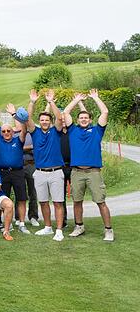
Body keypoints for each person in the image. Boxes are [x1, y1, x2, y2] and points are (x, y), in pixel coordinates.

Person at [63, 89, 113, 241]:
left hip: (93, 173)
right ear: (77, 120)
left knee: (100, 201)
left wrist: (96, 98)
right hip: (77, 172)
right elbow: (65, 112)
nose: (83, 119)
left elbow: (104, 112)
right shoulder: (72, 131)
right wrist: (76, 100)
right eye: (81, 118)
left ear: (90, 120)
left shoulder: (97, 131)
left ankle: (108, 230)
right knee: (77, 201)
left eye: (86, 118)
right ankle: (79, 226)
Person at [26, 89, 66, 241]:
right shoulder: (34, 132)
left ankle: (59, 230)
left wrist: (51, 101)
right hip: (40, 172)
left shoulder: (56, 131)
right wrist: (32, 102)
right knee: (43, 202)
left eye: (46, 120)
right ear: (39, 121)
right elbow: (28, 118)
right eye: (42, 120)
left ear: (50, 122)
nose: (44, 122)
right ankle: (48, 227)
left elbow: (59, 117)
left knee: (57, 203)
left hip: (56, 172)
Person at [0, 108, 30, 234]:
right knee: (4, 198)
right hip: (3, 172)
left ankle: (21, 223)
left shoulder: (18, 140)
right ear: (1, 133)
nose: (6, 133)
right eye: (3, 131)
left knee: (21, 198)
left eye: (8, 130)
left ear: (12, 131)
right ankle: (7, 224)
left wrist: (14, 115)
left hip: (18, 172)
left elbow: (24, 130)